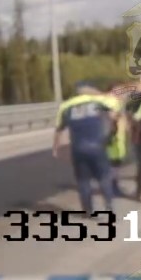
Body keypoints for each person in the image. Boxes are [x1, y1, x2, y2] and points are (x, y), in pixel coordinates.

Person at [54, 81, 120, 215]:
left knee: (83, 180)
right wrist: (111, 129)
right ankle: (108, 206)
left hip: (78, 148)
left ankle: (88, 210)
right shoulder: (98, 101)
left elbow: (59, 129)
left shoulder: (66, 106)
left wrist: (56, 148)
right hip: (97, 145)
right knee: (104, 177)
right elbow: (115, 108)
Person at [104, 85, 131, 198]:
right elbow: (112, 117)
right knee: (113, 164)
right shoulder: (109, 103)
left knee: (116, 164)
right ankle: (111, 188)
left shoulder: (118, 103)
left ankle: (113, 187)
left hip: (119, 138)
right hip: (112, 138)